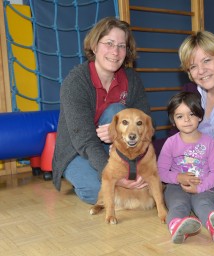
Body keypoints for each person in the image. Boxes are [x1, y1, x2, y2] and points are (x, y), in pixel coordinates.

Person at [52, 17, 150, 204]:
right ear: (95, 46)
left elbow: (144, 124)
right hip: (78, 149)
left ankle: (117, 178)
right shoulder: (76, 82)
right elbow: (84, 139)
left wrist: (118, 136)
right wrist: (113, 175)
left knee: (118, 111)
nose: (115, 52)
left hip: (118, 148)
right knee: (96, 192)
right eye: (109, 43)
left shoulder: (132, 80)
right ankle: (84, 176)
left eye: (121, 46)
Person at [154, 31, 214, 189]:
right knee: (145, 155)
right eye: (193, 66)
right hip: (196, 160)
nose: (201, 71)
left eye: (207, 60)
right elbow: (175, 137)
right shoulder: (189, 90)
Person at [158, 91, 214, 244]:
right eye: (180, 116)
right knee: (178, 205)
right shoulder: (170, 143)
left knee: (204, 204)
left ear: (199, 116)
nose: (186, 120)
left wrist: (201, 187)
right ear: (173, 121)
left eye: (191, 114)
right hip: (176, 187)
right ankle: (177, 226)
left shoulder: (209, 142)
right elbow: (161, 172)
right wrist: (178, 178)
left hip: (203, 186)